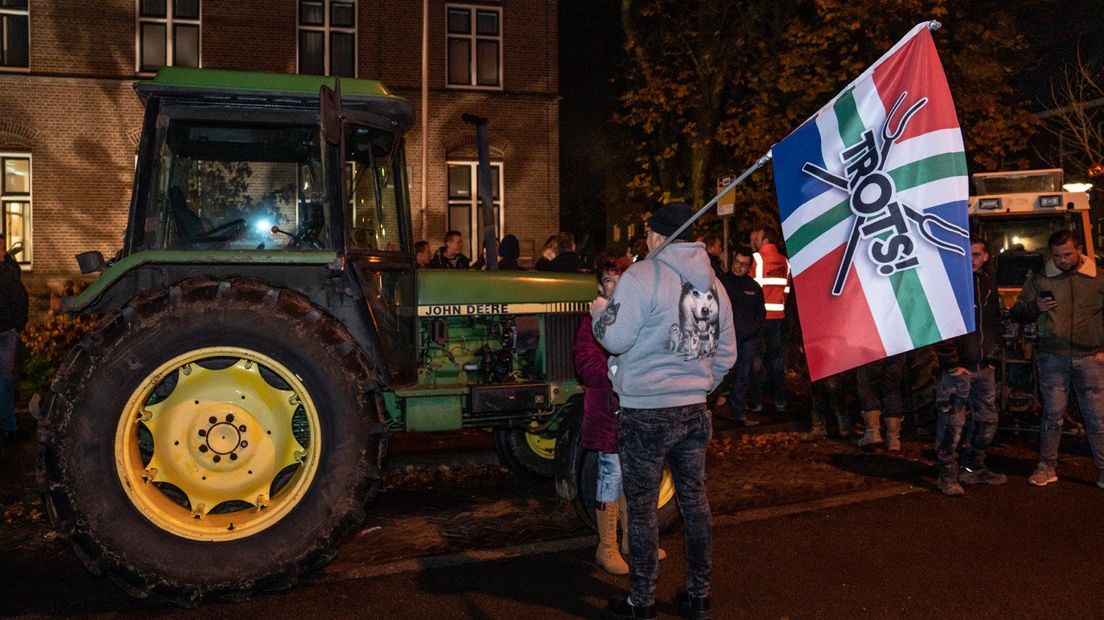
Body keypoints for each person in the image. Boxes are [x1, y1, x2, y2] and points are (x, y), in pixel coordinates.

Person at [592, 202, 737, 620]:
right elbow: (728, 351)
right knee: (694, 500)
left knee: (641, 509)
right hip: (694, 410)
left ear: (658, 237)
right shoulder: (713, 284)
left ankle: (642, 600)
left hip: (645, 412)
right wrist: (702, 384)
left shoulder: (642, 276)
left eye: (649, 234)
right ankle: (699, 594)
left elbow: (615, 339)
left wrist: (600, 311)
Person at [574, 255, 665, 575]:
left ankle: (633, 541)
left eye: (621, 280)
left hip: (636, 410)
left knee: (636, 476)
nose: (616, 286)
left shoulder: (638, 316)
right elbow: (585, 364)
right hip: (607, 412)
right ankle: (607, 546)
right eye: (610, 280)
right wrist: (618, 369)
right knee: (610, 476)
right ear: (601, 285)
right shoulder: (593, 321)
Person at [1012, 229, 1104, 488]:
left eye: (1067, 254)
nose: (1062, 261)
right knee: (1052, 415)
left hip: (1091, 358)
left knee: (1097, 417)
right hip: (1053, 357)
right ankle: (1046, 467)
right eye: (1056, 256)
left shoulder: (1098, 278)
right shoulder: (1041, 280)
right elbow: (1018, 311)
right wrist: (1034, 308)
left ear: (1078, 251)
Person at [932, 236, 1007, 496]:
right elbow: (941, 326)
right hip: (959, 369)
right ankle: (947, 474)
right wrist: (952, 364)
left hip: (984, 367)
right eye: (967, 254)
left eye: (976, 255)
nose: (971, 260)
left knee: (988, 422)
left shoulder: (987, 283)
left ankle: (973, 468)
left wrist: (993, 358)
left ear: (985, 256)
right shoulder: (952, 285)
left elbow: (994, 324)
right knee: (952, 424)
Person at [718, 246, 764, 426]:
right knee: (720, 375)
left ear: (749, 267)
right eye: (736, 262)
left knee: (743, 376)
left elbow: (761, 313)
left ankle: (738, 413)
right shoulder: (721, 282)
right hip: (723, 339)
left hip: (746, 340)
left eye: (743, 264)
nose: (738, 267)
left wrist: (751, 330)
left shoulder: (753, 287)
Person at [748, 225, 791, 413]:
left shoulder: (757, 259)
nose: (756, 242)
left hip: (760, 317)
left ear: (765, 240)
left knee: (756, 360)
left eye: (758, 239)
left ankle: (756, 402)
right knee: (776, 360)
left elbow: (752, 288)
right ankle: (780, 400)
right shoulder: (785, 261)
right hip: (778, 317)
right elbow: (787, 290)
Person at [0, 231, 29, 442]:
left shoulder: (9, 269)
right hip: (8, 330)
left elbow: (19, 297)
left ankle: (9, 426)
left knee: (6, 379)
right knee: (5, 379)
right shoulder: (9, 269)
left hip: (8, 331)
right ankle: (9, 427)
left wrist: (17, 325)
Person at [855, 354, 906, 451]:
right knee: (892, 391)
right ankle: (893, 440)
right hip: (896, 353)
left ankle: (872, 432)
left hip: (872, 353)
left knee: (867, 388)